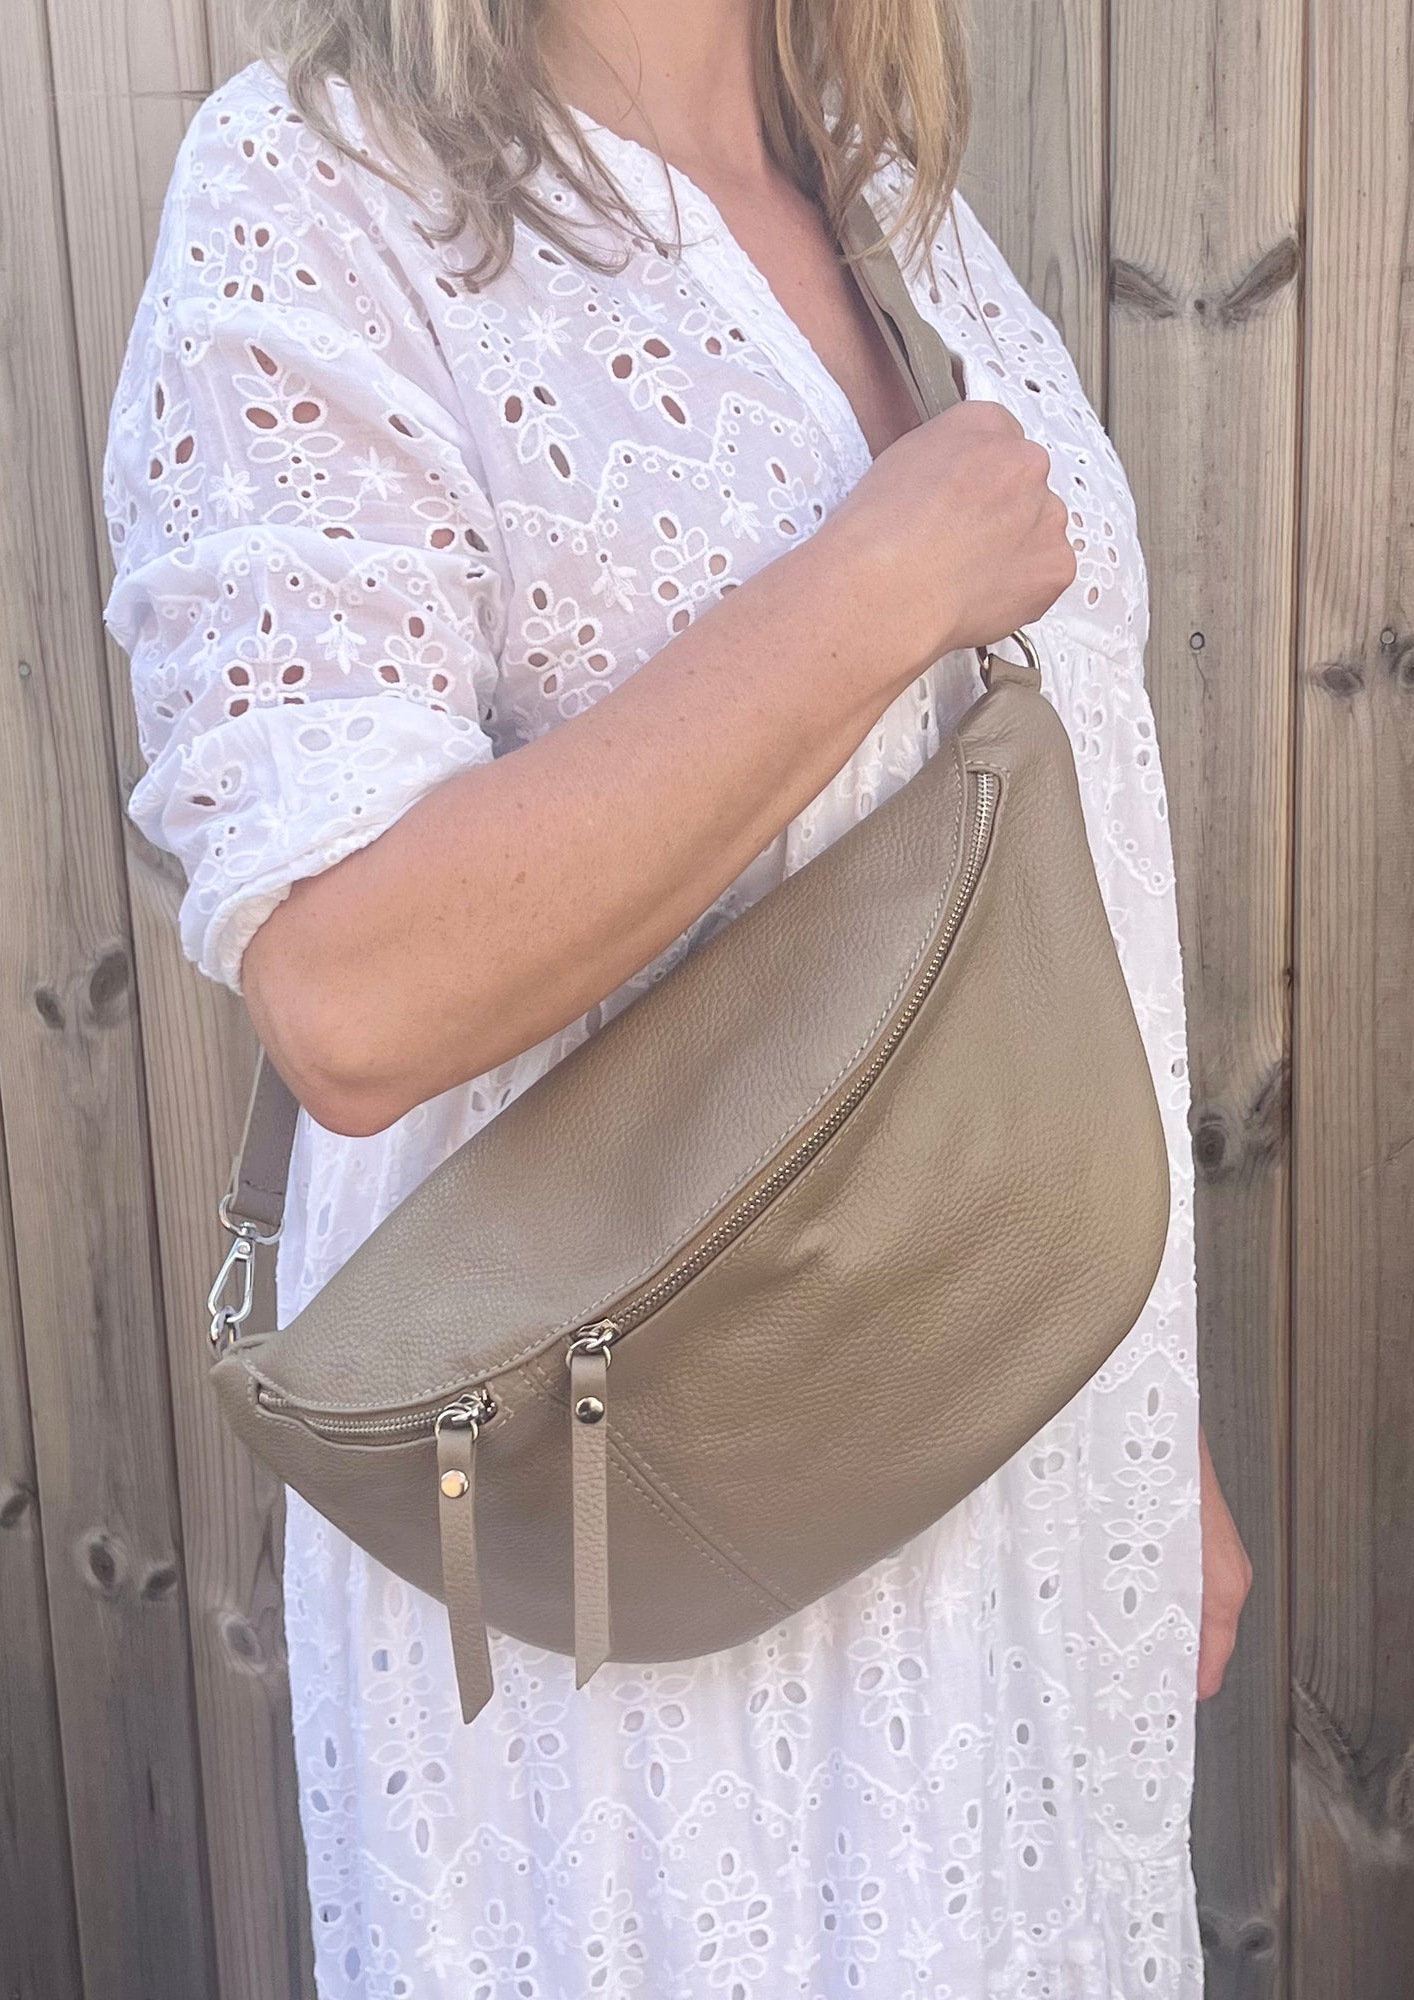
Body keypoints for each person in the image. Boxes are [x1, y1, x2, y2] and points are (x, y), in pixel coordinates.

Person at [101, 0, 1251, 1985]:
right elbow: (347, 983)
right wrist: (874, 586)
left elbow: (1050, 901)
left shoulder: (889, 200)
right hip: (623, 1556)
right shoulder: (317, 193)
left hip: (1018, 1488)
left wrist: (1153, 1438)